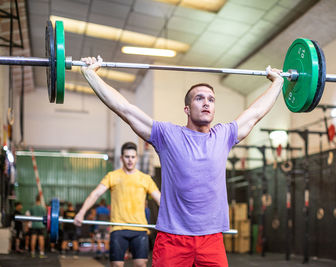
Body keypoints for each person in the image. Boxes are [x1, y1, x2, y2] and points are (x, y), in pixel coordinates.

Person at [80, 56, 283, 266]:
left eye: (211, 99)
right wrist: (91, 75)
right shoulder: (167, 135)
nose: (206, 103)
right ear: (186, 109)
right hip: (172, 238)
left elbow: (255, 113)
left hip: (211, 239)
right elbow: (125, 109)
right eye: (199, 98)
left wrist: (278, 83)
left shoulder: (223, 135)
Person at [74, 142, 161, 267]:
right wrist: (81, 213)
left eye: (132, 157)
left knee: (141, 264)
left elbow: (160, 200)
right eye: (127, 157)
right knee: (116, 265)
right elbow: (95, 194)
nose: (130, 160)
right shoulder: (112, 176)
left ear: (136, 158)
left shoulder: (145, 179)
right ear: (121, 158)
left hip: (140, 229)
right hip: (118, 228)